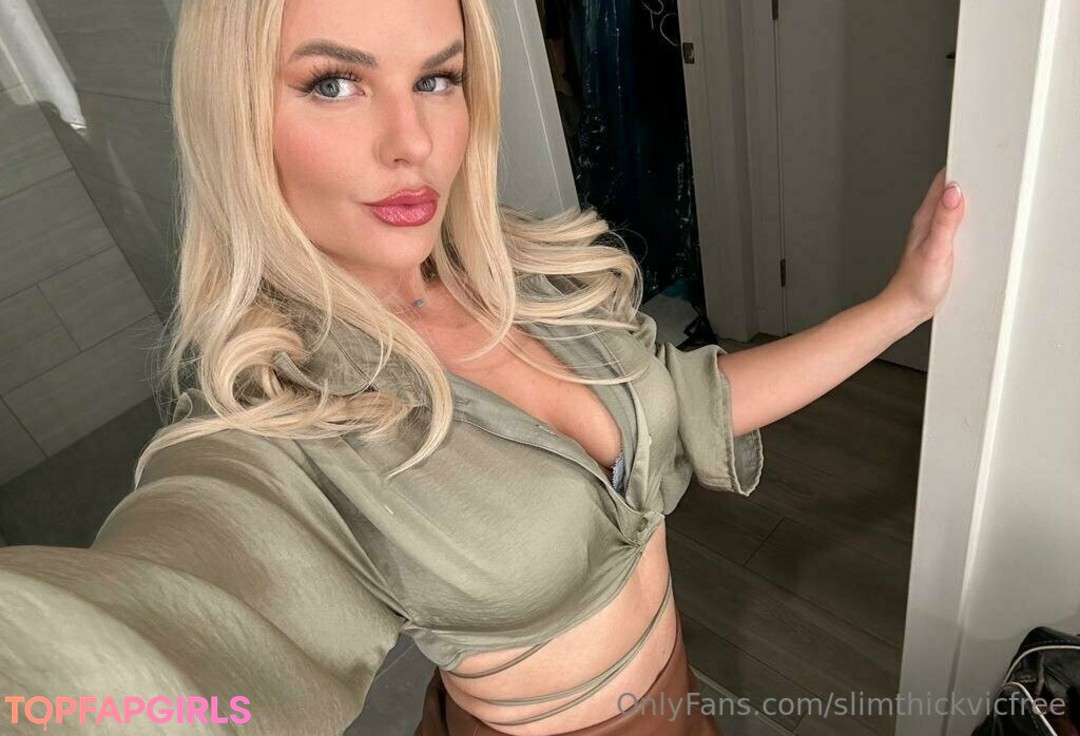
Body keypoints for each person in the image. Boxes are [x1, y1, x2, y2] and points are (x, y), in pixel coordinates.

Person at [0, 0, 965, 734]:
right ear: (235, 116)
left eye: (437, 78)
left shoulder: (533, 274)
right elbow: (137, 646)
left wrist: (899, 305)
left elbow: (696, 402)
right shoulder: (285, 427)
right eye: (332, 83)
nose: (413, 143)